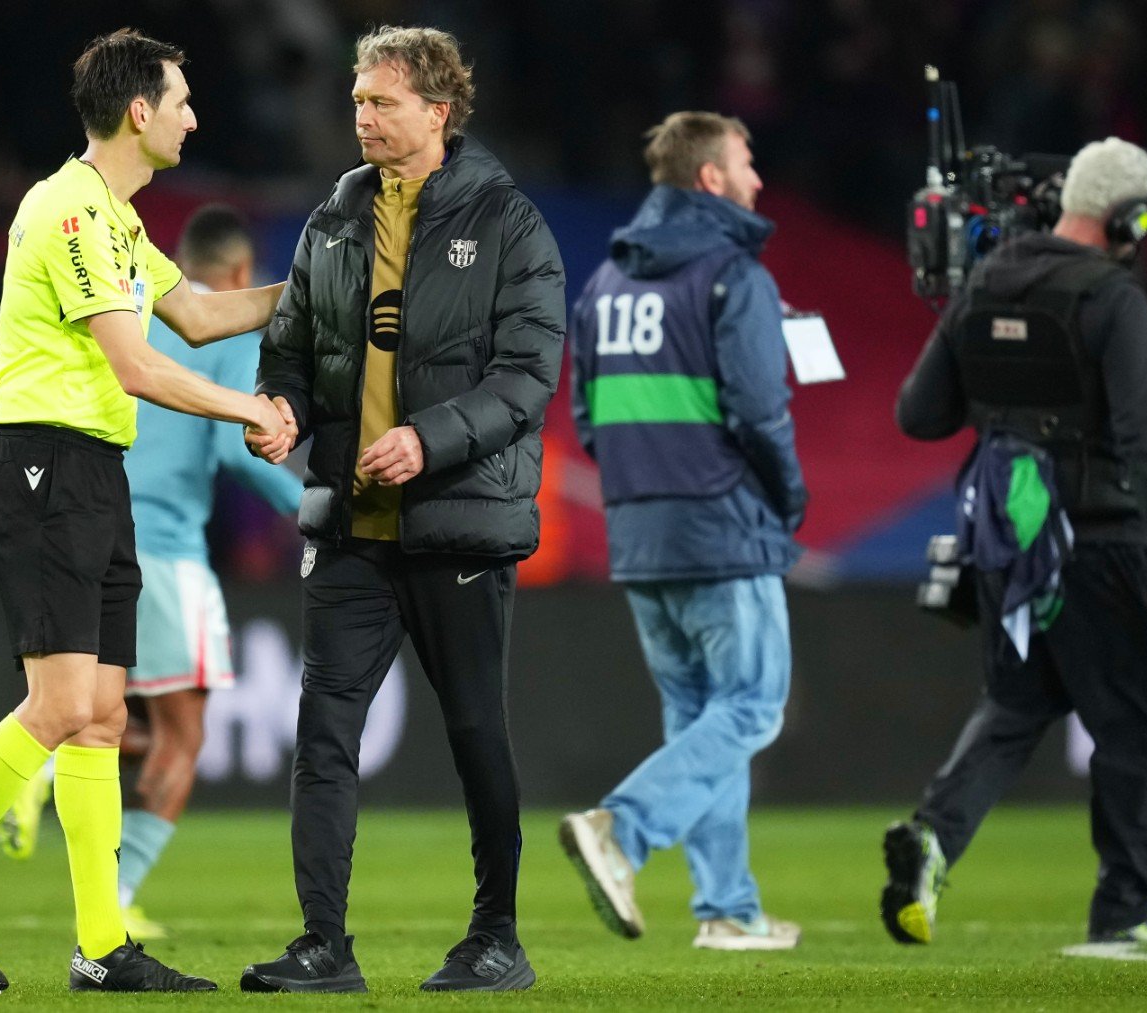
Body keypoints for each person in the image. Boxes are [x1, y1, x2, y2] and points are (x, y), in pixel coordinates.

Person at [0, 29, 294, 994]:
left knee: (104, 717)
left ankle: (101, 945)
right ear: (138, 111)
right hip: (43, 467)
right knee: (66, 702)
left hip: (93, 471)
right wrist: (248, 407)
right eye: (183, 99)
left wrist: (317, 291)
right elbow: (137, 362)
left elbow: (196, 314)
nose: (196, 115)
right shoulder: (69, 211)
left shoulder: (116, 220)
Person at [244, 25, 563, 994]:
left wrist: (431, 438)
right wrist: (283, 407)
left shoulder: (509, 222)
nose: (362, 116)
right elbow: (290, 345)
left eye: (382, 101)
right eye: (357, 100)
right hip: (351, 525)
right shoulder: (334, 218)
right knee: (324, 733)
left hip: (456, 519)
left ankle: (496, 935)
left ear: (439, 108)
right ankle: (323, 944)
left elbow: (529, 374)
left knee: (474, 728)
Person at [883, 137, 1147, 947]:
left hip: (1009, 537)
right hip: (1102, 540)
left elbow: (919, 414)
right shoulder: (1112, 297)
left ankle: (933, 838)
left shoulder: (984, 280)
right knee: (1139, 721)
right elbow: (1139, 435)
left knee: (1018, 702)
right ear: (1130, 216)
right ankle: (1126, 909)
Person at [0, 204, 304, 942]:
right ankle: (117, 889)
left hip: (92, 522)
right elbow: (238, 448)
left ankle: (39, 772)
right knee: (183, 735)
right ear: (238, 274)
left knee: (109, 712)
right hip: (165, 549)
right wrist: (309, 506)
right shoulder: (228, 333)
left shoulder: (130, 303)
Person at [559, 111, 806, 952]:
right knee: (753, 704)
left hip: (640, 531)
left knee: (700, 715)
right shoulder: (734, 276)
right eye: (746, 162)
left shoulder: (606, 284)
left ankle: (728, 908)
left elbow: (588, 421)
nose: (757, 180)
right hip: (723, 526)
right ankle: (621, 833)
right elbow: (760, 412)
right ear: (710, 178)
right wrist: (789, 497)